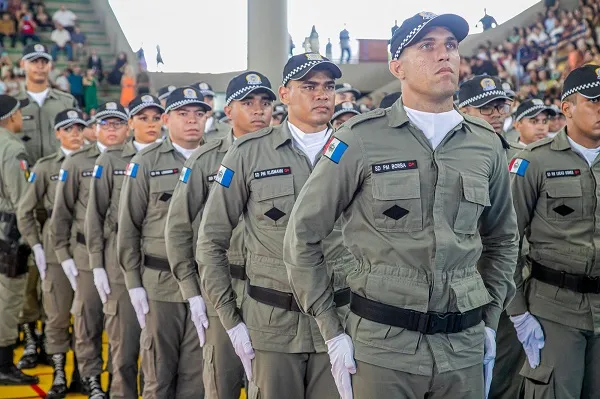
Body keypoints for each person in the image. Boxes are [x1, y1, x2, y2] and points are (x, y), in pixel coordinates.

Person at [282, 12, 519, 399]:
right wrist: (331, 329)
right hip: (382, 350)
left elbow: (504, 239)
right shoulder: (359, 139)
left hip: (463, 347)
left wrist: (491, 319)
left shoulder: (485, 144)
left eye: (451, 46)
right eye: (427, 46)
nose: (444, 55)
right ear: (397, 67)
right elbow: (303, 234)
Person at [196, 53, 354, 399]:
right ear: (285, 93)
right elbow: (210, 241)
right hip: (271, 327)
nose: (322, 94)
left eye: (329, 86)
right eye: (309, 86)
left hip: (343, 322)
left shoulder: (356, 150)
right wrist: (230, 318)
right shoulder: (249, 153)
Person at [166, 71, 275, 399]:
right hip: (221, 290)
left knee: (268, 386)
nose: (259, 110)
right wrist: (192, 292)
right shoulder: (205, 160)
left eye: (265, 103)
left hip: (274, 294)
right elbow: (178, 228)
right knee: (222, 385)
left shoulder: (287, 157)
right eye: (248, 102)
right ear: (228, 111)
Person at [507, 64, 600, 399]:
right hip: (554, 311)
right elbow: (505, 242)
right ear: (567, 108)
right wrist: (518, 313)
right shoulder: (534, 162)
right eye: (594, 100)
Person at [117, 87, 210, 399]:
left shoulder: (221, 159)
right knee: (158, 375)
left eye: (199, 113)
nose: (192, 121)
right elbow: (128, 225)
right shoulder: (145, 162)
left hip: (207, 283)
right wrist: (132, 282)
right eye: (183, 114)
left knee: (198, 378)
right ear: (168, 119)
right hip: (162, 286)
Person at [85, 96, 163, 399]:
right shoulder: (111, 160)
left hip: (160, 268)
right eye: (143, 118)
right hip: (119, 267)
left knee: (156, 351)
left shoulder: (174, 158)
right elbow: (95, 215)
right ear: (131, 124)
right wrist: (96, 264)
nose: (150, 124)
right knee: (124, 348)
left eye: (156, 118)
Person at [51, 102, 130, 399]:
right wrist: (63, 256)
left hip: (124, 259)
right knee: (88, 319)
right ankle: (91, 377)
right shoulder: (77, 163)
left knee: (122, 326)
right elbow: (61, 215)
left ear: (127, 127)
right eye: (105, 124)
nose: (111, 129)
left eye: (117, 123)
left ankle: (117, 379)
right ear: (94, 128)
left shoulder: (136, 158)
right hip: (87, 257)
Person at [458, 74, 525, 399]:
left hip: (513, 281)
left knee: (508, 374)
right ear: (464, 110)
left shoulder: (524, 157)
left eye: (500, 105)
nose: (497, 114)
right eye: (486, 108)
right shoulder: (451, 156)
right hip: (467, 282)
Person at [15, 43, 77, 370]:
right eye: (33, 61)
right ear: (23, 65)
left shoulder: (66, 103)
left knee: (58, 272)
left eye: (44, 61)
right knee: (26, 271)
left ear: (50, 65)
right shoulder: (12, 105)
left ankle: (56, 335)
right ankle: (30, 335)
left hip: (60, 199)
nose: (40, 66)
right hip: (22, 200)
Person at [17, 108, 86, 396]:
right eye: (68, 129)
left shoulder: (95, 162)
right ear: (57, 133)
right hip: (55, 255)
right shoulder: (45, 167)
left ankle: (84, 374)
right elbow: (25, 211)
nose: (74, 134)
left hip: (87, 253)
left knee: (87, 320)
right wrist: (35, 246)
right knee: (57, 316)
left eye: (79, 128)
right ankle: (59, 372)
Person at [0, 94, 39, 386]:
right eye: (18, 112)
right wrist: (31, 240)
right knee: (9, 299)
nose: (21, 117)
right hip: (8, 234)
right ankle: (2, 365)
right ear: (10, 117)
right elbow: (20, 200)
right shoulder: (12, 149)